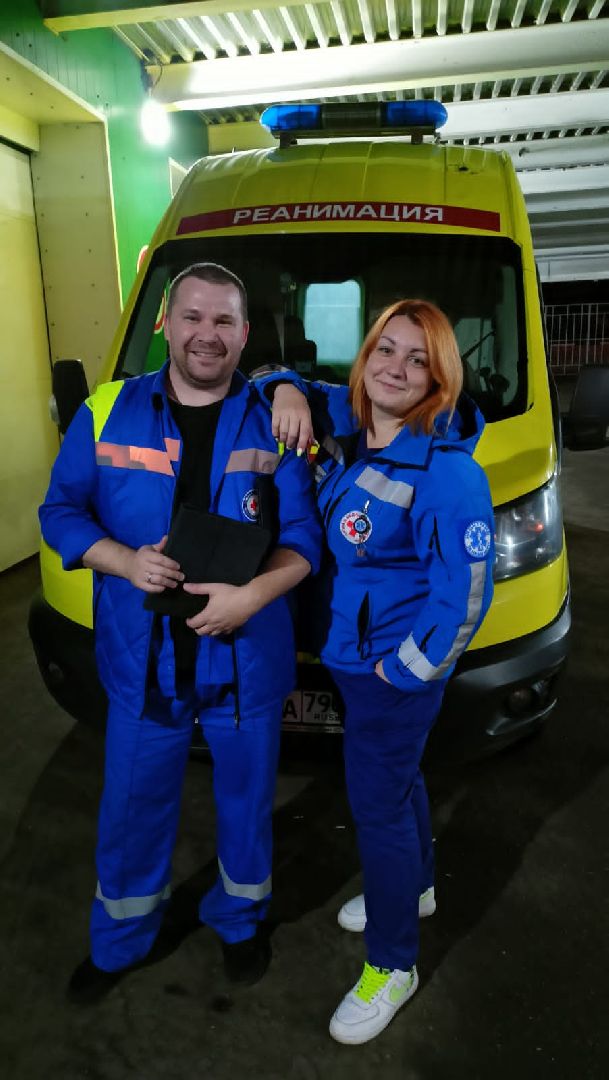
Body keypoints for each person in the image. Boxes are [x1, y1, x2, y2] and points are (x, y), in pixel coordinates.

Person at [39, 262, 322, 1002]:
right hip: (142, 661)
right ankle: (120, 941)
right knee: (132, 809)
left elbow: (303, 540)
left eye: (224, 320)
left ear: (246, 334)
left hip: (245, 660)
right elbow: (60, 512)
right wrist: (123, 561)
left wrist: (249, 597)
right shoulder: (106, 411)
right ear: (165, 322)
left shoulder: (275, 421)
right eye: (192, 316)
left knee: (246, 808)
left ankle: (240, 921)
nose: (207, 334)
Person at [261, 299, 495, 1045]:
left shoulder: (448, 475)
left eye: (417, 359)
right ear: (364, 358)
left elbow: (464, 598)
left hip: (390, 674)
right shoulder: (353, 420)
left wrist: (403, 672)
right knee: (399, 784)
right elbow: (270, 381)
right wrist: (287, 388)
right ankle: (417, 887)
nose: (395, 367)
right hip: (354, 659)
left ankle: (393, 964)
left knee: (378, 809)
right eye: (384, 349)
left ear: (439, 378)